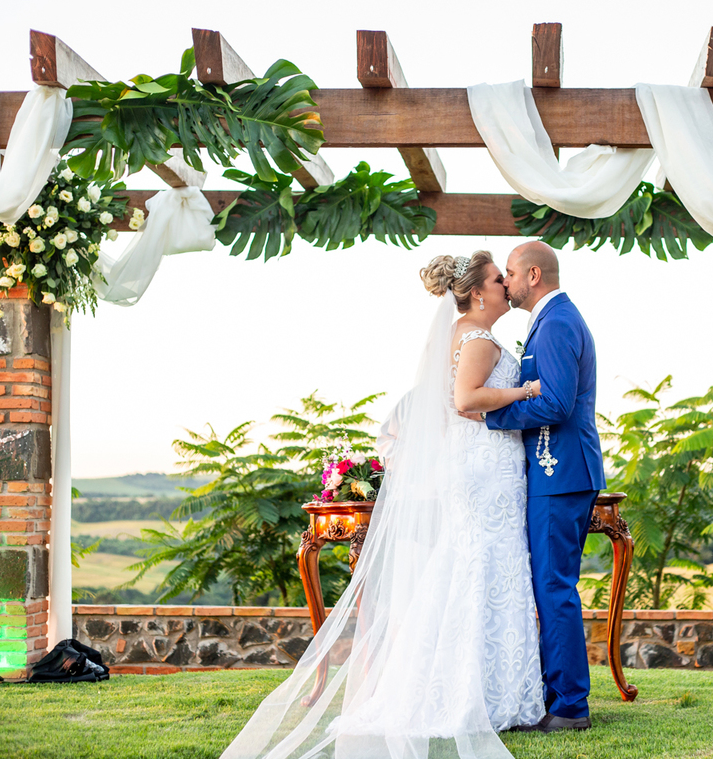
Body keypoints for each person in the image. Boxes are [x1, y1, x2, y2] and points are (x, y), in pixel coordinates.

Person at [222, 250, 544, 759]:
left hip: (482, 463)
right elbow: (465, 401)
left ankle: (479, 690)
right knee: (487, 566)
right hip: (485, 468)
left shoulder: (464, 335)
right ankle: (480, 696)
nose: (506, 284)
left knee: (475, 568)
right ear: (478, 292)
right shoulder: (478, 338)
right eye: (496, 279)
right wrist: (525, 391)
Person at [474, 241, 604, 733]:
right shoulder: (553, 321)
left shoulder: (557, 323)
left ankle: (570, 706)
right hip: (557, 471)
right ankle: (558, 695)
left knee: (554, 586)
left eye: (509, 273)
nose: (505, 282)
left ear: (532, 274)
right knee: (551, 585)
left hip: (561, 471)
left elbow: (555, 406)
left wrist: (491, 415)